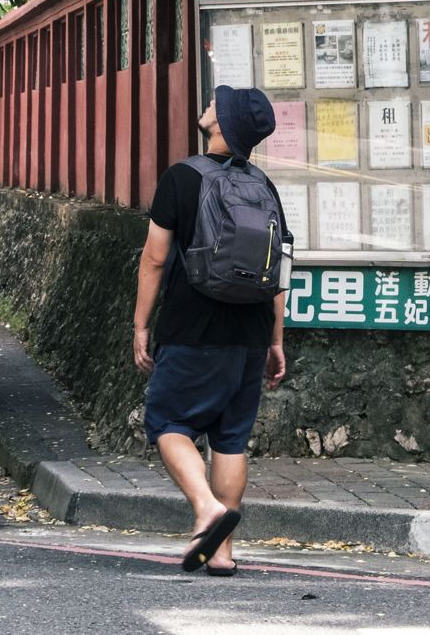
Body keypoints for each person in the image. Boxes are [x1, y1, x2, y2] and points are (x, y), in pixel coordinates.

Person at [133, 85, 289, 576]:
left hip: (193, 326)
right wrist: (276, 339)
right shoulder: (264, 185)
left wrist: (140, 324)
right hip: (250, 331)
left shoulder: (182, 177)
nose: (207, 105)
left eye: (215, 104)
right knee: (230, 440)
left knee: (166, 422)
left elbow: (155, 257)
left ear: (221, 122)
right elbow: (278, 271)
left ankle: (206, 508)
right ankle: (221, 552)